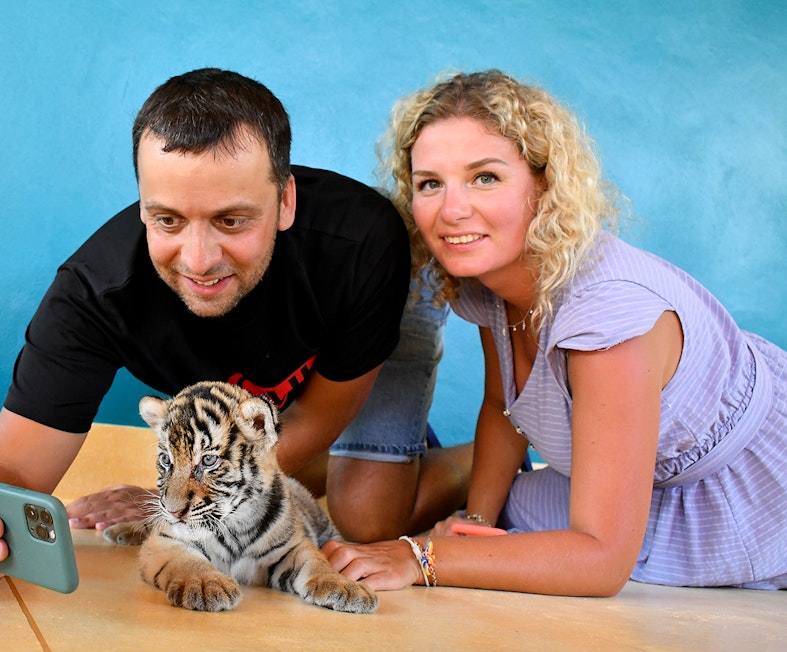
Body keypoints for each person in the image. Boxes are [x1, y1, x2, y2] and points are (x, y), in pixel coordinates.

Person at [0, 68, 471, 593]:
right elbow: (13, 475)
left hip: (371, 317)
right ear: (143, 206)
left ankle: (474, 456)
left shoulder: (364, 243)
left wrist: (178, 500)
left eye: (232, 220)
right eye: (167, 220)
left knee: (369, 518)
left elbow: (319, 417)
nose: (198, 260)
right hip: (250, 416)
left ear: (286, 201)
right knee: (308, 483)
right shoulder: (95, 294)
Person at [324, 69, 787, 596]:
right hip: (645, 483)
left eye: (485, 177)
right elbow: (503, 406)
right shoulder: (494, 282)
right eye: (431, 183)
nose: (452, 210)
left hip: (744, 494)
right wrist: (475, 520)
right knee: (510, 514)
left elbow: (601, 562)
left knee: (566, 548)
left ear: (545, 185)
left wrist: (424, 556)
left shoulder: (610, 320)